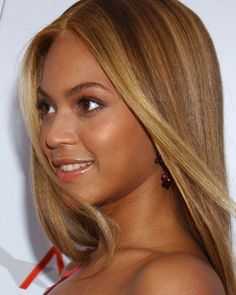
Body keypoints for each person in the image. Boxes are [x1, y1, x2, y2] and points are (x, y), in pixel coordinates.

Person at [19, 0, 236, 294]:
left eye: (88, 103)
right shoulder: (83, 269)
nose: (52, 136)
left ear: (164, 113)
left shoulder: (173, 282)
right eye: (46, 107)